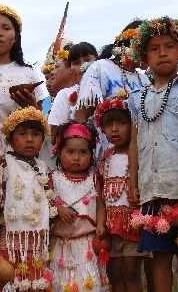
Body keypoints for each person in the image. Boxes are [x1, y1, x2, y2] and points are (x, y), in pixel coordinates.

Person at [126, 16, 178, 292]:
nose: (162, 53)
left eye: (169, 46)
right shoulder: (136, 98)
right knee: (159, 255)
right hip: (151, 188)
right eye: (154, 48)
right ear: (144, 56)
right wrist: (133, 182)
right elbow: (134, 144)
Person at [0, 106, 53, 292]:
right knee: (5, 274)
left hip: (35, 237)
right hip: (8, 234)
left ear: (42, 140)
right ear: (11, 139)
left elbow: (47, 199)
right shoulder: (4, 164)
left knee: (32, 278)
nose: (29, 139)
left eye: (36, 134)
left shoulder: (43, 167)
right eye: (22, 134)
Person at [0, 4, 46, 155]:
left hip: (17, 159)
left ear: (15, 38)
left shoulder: (28, 74)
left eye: (6, 28)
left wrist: (31, 106)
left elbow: (41, 124)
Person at [74, 20, 150, 157]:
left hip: (141, 156)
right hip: (105, 155)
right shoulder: (101, 68)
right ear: (132, 45)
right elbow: (82, 116)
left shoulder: (144, 79)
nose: (152, 53)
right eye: (149, 47)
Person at [48, 121, 107, 292]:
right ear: (58, 153)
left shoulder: (93, 179)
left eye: (83, 152)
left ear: (91, 154)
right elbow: (46, 200)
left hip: (86, 243)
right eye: (70, 152)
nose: (76, 157)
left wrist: (101, 224)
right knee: (59, 283)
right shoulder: (54, 178)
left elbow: (100, 205)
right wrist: (58, 209)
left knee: (86, 284)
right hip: (60, 243)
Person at [94, 99, 144, 292]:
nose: (114, 129)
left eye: (121, 123)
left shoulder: (138, 154)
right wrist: (100, 222)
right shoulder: (106, 157)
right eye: (109, 124)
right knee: (115, 272)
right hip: (110, 226)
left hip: (132, 225)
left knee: (131, 271)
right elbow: (100, 196)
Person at [48, 42, 98, 129]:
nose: (83, 66)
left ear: (98, 62)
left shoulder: (109, 87)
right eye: (76, 63)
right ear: (71, 69)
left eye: (87, 60)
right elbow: (54, 135)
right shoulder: (64, 95)